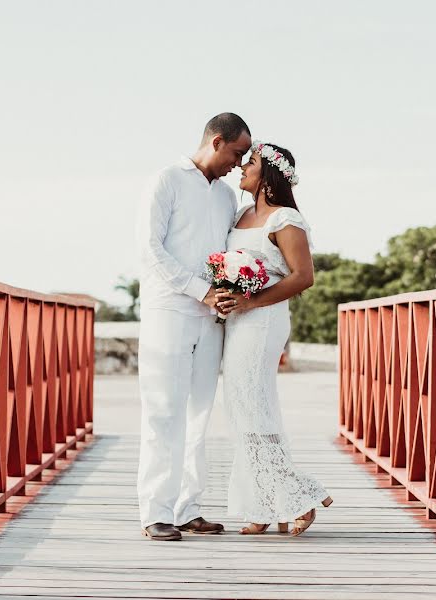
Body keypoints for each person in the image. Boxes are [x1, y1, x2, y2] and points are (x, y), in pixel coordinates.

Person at [135, 113, 251, 541]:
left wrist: (223, 293)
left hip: (210, 318)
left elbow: (225, 255)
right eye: (237, 154)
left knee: (199, 414)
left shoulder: (225, 198)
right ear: (217, 142)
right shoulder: (165, 180)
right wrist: (199, 290)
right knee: (163, 411)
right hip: (169, 311)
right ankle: (155, 511)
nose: (239, 165)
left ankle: (188, 507)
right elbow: (150, 251)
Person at [217, 140, 333, 536]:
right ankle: (265, 505)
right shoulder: (241, 214)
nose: (241, 169)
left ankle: (297, 496)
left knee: (252, 407)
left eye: (248, 163)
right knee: (240, 408)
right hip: (238, 322)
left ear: (267, 174)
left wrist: (252, 303)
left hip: (263, 322)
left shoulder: (285, 220)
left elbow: (303, 277)